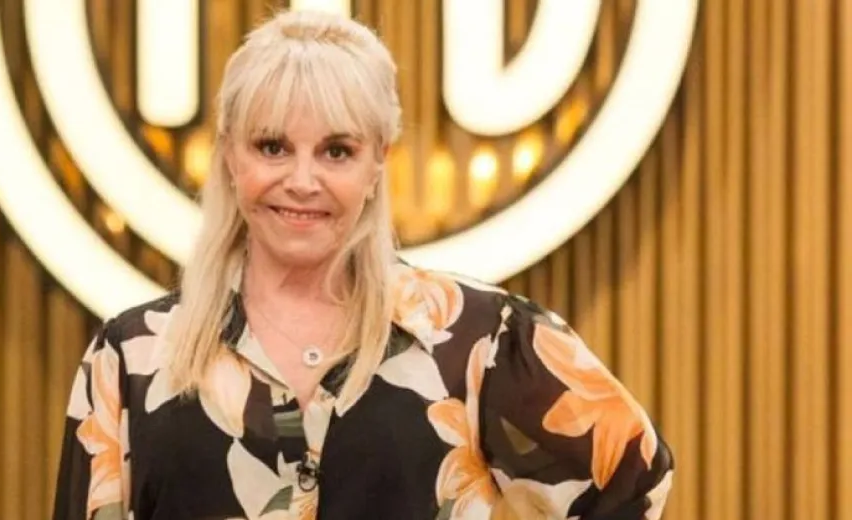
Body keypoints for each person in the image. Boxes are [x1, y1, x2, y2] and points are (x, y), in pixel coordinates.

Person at [52, 9, 673, 520]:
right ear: (230, 159)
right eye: (272, 146)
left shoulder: (479, 341)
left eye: (336, 151)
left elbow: (633, 484)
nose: (302, 181)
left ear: (378, 162)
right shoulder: (131, 358)